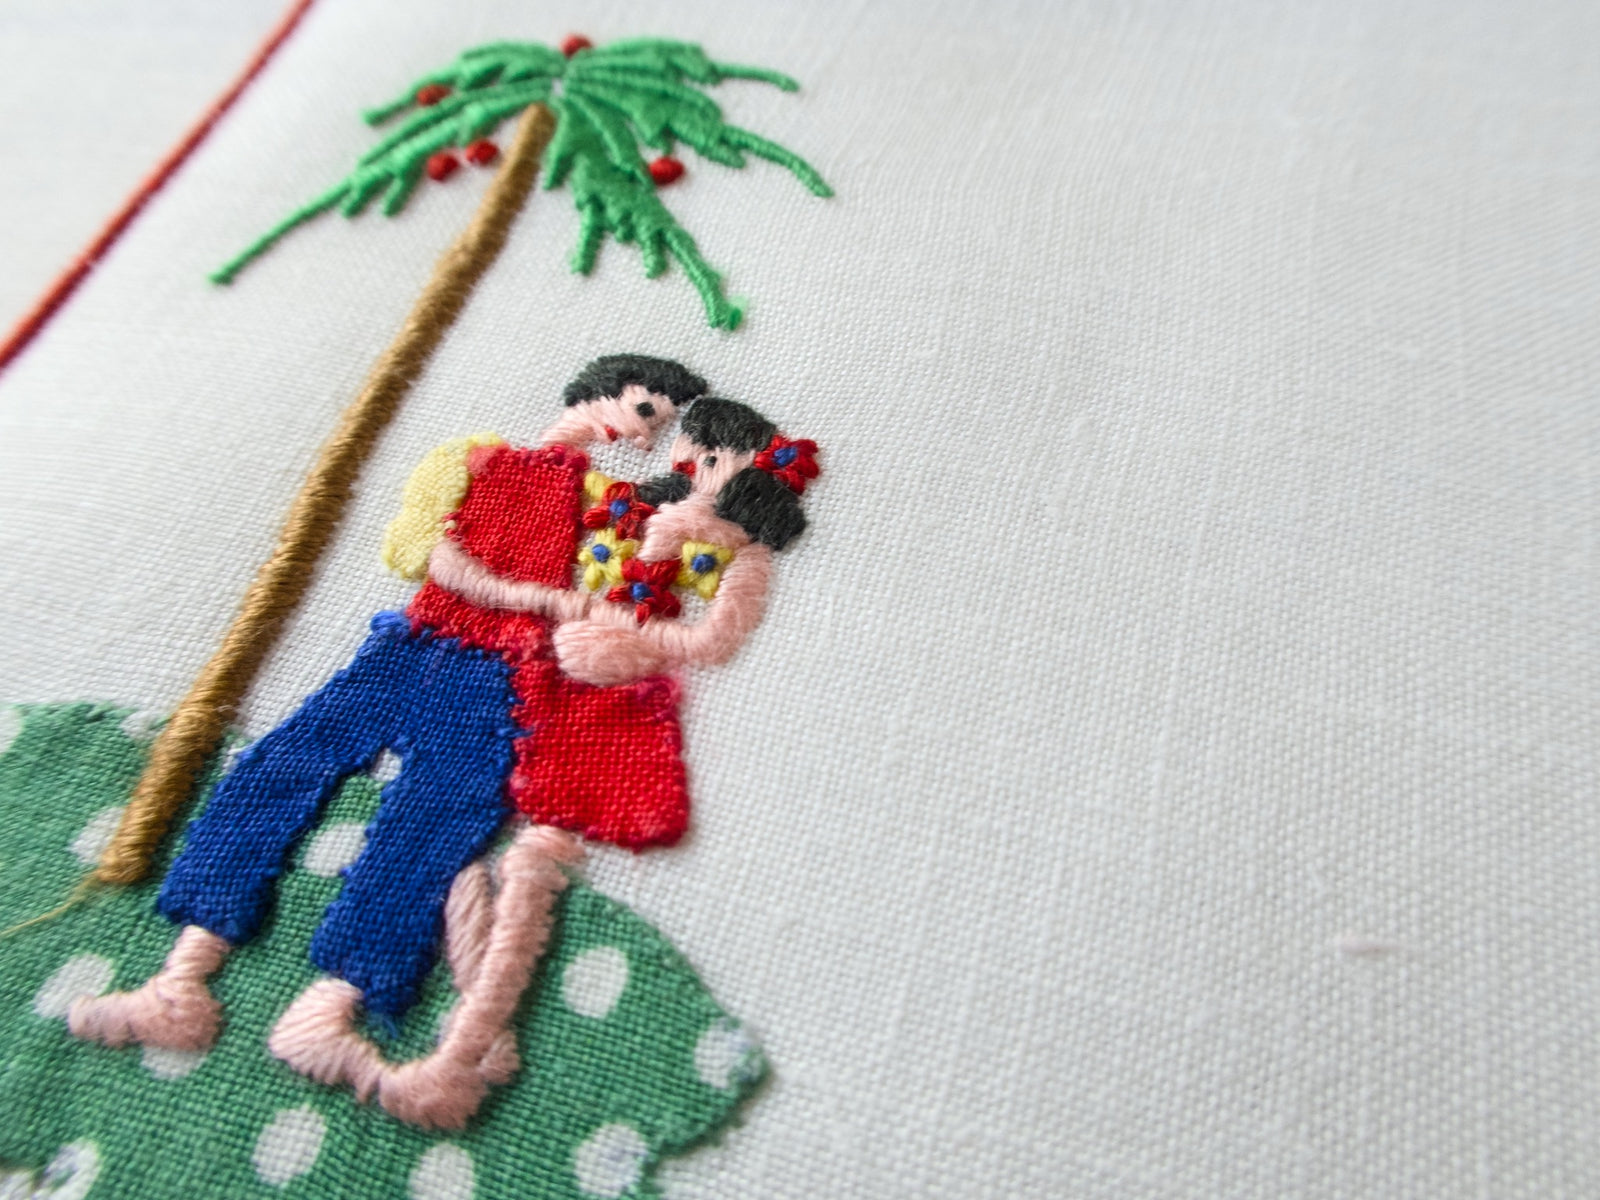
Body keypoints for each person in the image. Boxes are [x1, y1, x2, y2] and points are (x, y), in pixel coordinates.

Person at [70, 359, 817, 1130]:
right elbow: (427, 554)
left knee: (427, 835)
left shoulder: (610, 502)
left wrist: (635, 592)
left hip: (503, 685)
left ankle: (332, 1010)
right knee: (282, 770)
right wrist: (539, 597)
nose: (645, 433)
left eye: (660, 425)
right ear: (594, 395)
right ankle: (180, 978)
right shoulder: (485, 462)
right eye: (643, 410)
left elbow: (643, 606)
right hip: (417, 644)